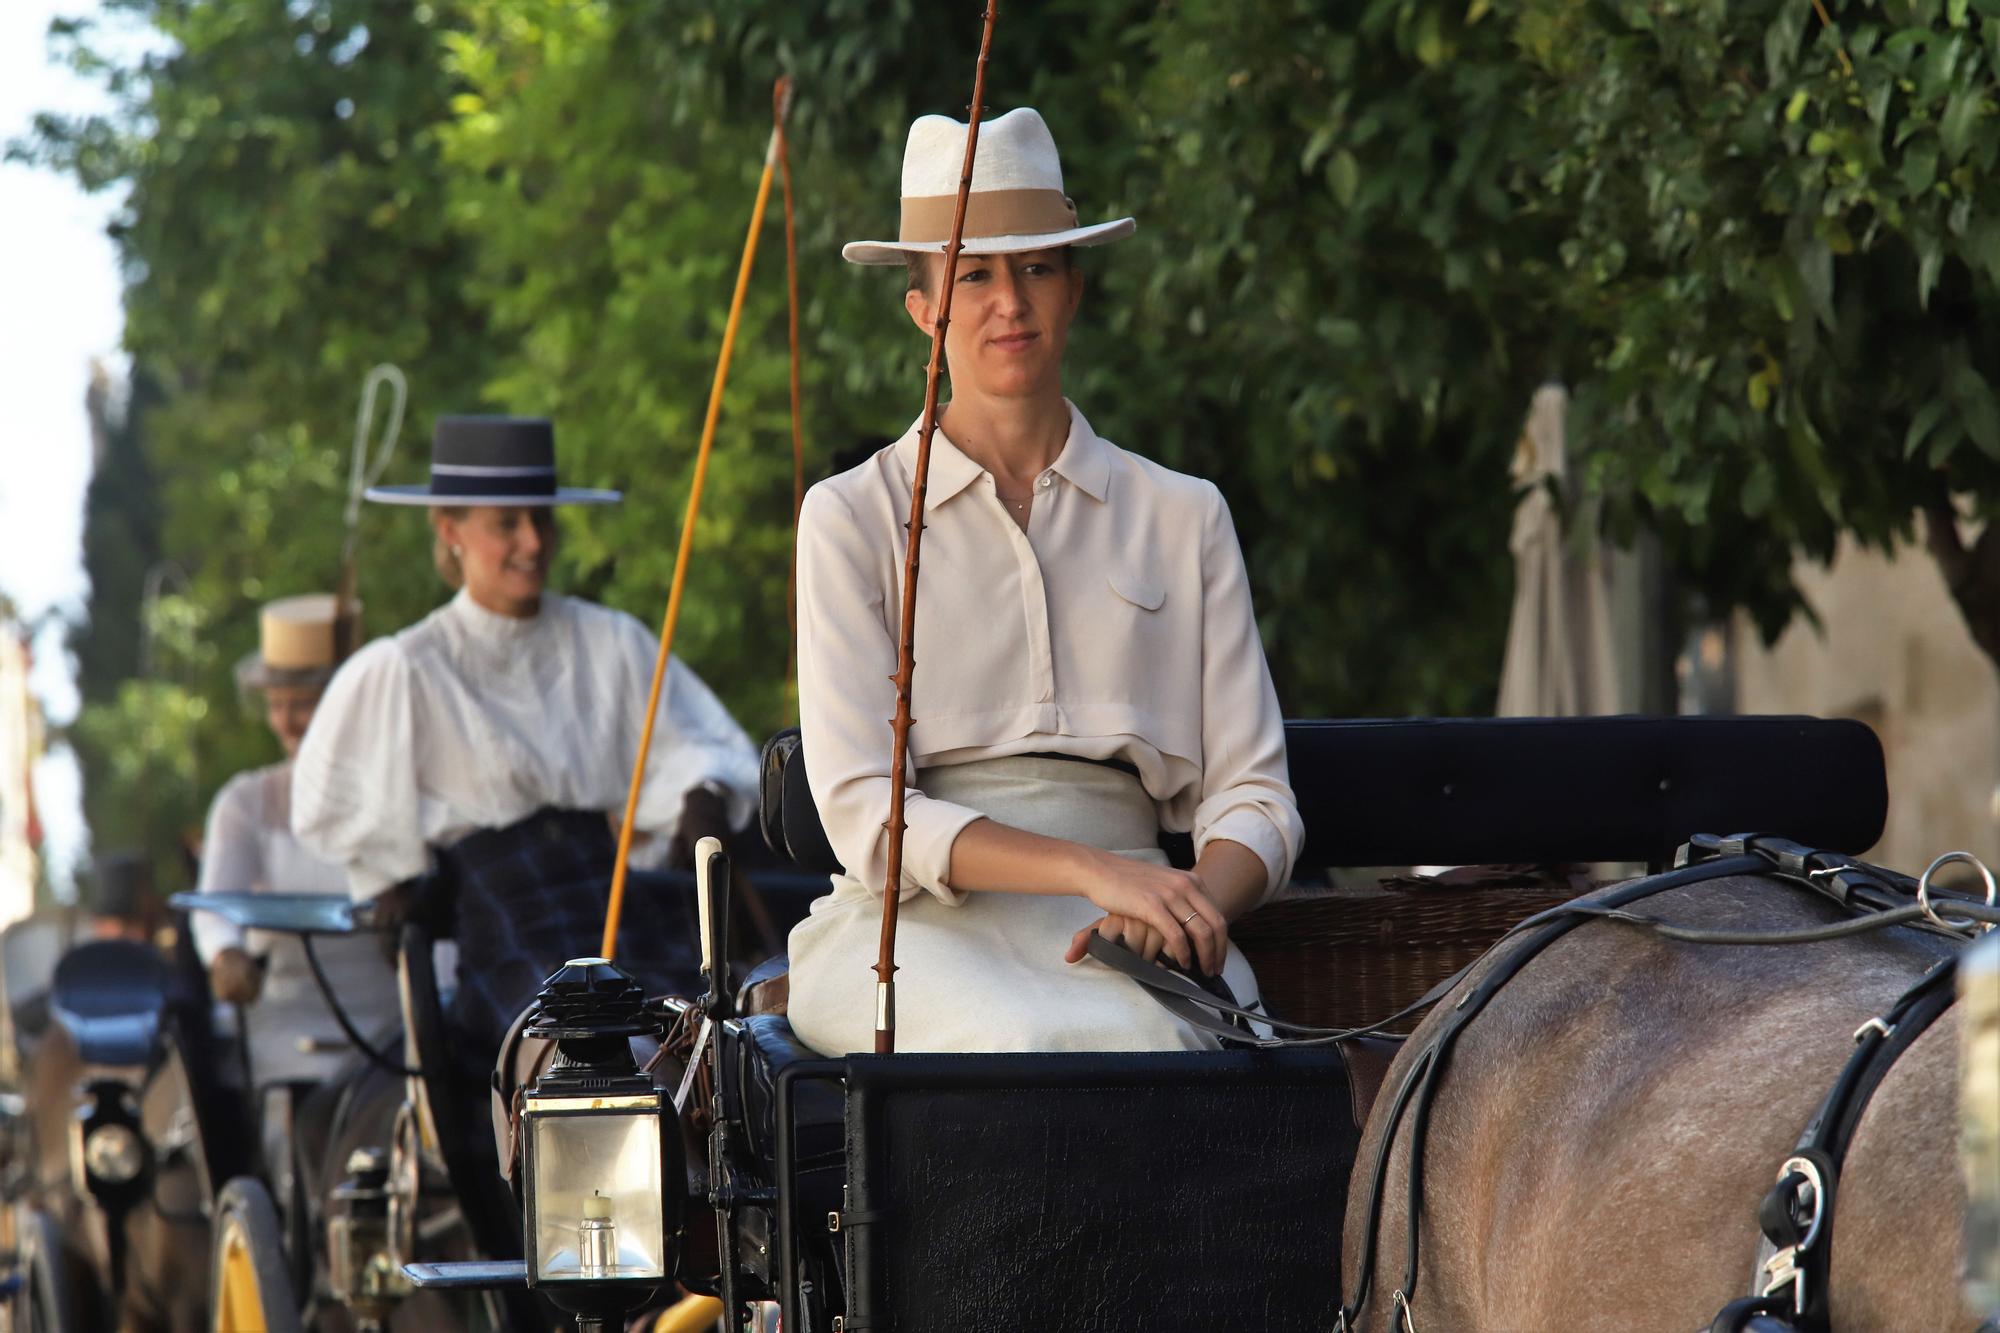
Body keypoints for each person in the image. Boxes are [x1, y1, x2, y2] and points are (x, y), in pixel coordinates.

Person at [787, 107, 1302, 1055]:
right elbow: (869, 814)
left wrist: (1183, 906)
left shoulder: (1182, 515)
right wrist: (1090, 869)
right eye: (973, 274)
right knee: (1017, 1042)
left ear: (1074, 289)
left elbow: (1257, 798)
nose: (1008, 304)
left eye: (1035, 268)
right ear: (922, 306)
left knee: (1178, 1052)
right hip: (911, 934)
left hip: (1145, 921)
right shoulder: (852, 519)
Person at [291, 415, 760, 1057]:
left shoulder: (611, 641)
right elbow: (339, 804)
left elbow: (700, 744)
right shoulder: (406, 668)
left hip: (615, 893)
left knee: (703, 1042)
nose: (533, 542)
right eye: (506, 524)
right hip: (501, 912)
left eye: (542, 519)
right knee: (571, 1054)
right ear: (450, 530)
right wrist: (391, 877)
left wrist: (704, 790)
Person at [193, 594, 399, 1085]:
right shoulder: (246, 802)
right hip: (288, 1034)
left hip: (394, 1034)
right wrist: (226, 954)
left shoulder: (397, 795)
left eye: (303, 705)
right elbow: (216, 905)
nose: (285, 722)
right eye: (275, 705)